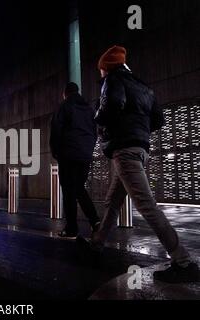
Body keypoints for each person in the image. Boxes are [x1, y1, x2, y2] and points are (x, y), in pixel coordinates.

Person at [91, 45, 198, 283]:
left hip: (125, 150)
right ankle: (97, 243)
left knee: (146, 205)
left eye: (100, 70)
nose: (100, 74)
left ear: (106, 68)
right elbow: (158, 119)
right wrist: (138, 130)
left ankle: (183, 261)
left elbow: (111, 107)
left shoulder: (113, 80)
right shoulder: (144, 87)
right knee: (113, 201)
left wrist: (97, 116)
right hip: (140, 149)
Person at [50, 82, 100, 239]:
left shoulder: (64, 106)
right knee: (79, 187)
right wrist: (88, 151)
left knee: (68, 191)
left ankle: (72, 229)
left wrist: (56, 152)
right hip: (85, 155)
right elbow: (94, 132)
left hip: (68, 154)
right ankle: (95, 221)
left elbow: (56, 130)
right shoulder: (89, 109)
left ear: (65, 93)